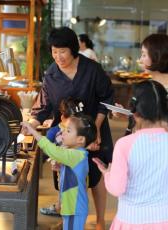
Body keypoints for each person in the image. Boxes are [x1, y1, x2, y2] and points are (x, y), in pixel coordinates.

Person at [28, 27, 114, 230]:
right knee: (67, 174)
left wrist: (96, 130)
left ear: (73, 49)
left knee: (96, 174)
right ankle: (69, 215)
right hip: (67, 134)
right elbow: (44, 106)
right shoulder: (51, 74)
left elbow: (106, 99)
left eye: (62, 51)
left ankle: (100, 220)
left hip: (95, 130)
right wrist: (31, 124)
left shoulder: (92, 69)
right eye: (54, 51)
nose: (58, 56)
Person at [93, 80, 168, 230]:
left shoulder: (124, 145)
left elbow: (117, 189)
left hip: (129, 221)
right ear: (167, 108)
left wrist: (108, 174)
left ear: (134, 111)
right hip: (164, 222)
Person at [22, 113, 97, 230]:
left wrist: (32, 130)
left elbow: (52, 150)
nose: (62, 133)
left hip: (74, 209)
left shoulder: (76, 155)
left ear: (80, 139)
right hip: (71, 207)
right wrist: (62, 168)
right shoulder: (76, 154)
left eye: (68, 131)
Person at [40, 98, 83, 218]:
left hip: (76, 167)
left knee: (74, 189)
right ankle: (61, 208)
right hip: (61, 167)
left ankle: (67, 210)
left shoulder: (79, 130)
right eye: (70, 122)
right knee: (62, 187)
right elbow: (47, 148)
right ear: (62, 117)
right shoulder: (54, 131)